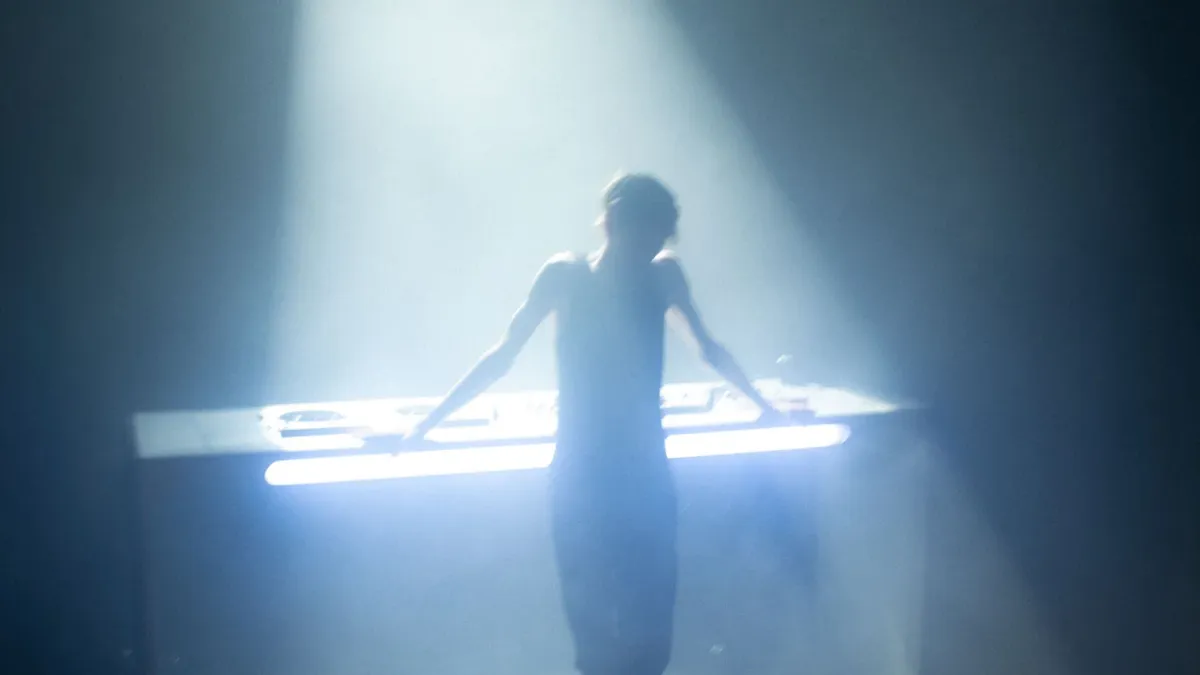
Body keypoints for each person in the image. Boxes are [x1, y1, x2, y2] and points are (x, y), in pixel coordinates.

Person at [403, 173, 790, 675]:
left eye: (656, 239)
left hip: (643, 473)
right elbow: (503, 354)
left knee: (650, 619)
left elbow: (709, 349)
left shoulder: (661, 275)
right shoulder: (566, 276)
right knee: (593, 627)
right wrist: (428, 422)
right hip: (581, 476)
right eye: (642, 236)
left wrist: (764, 405)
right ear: (611, 223)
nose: (647, 249)